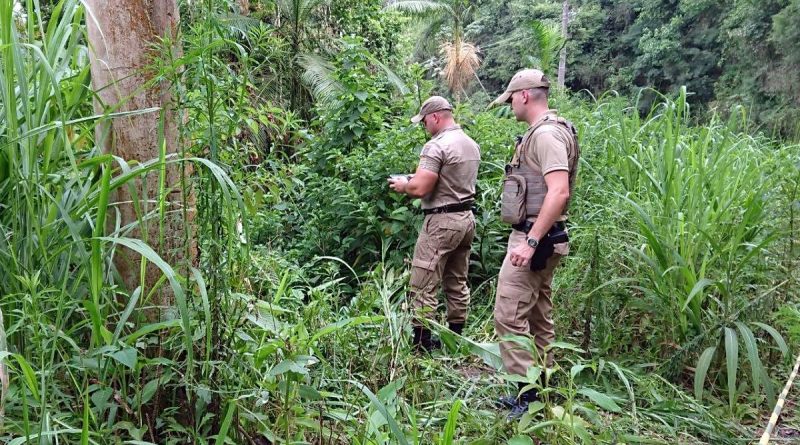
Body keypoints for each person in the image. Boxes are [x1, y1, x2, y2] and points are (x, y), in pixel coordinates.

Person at [490, 69, 580, 418]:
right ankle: (544, 387)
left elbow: (559, 191)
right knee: (539, 315)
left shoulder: (545, 136)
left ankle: (526, 397)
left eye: (511, 98)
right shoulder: (550, 131)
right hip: (544, 236)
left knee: (508, 316)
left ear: (525, 95)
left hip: (536, 237)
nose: (510, 104)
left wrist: (529, 240)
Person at [388, 96, 481, 351]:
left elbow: (421, 188)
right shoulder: (470, 144)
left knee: (423, 281)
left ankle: (421, 344)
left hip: (441, 221)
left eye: (424, 121)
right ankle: (455, 337)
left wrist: (403, 185)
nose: (425, 127)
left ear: (435, 117)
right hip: (466, 219)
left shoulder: (436, 145)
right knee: (457, 279)